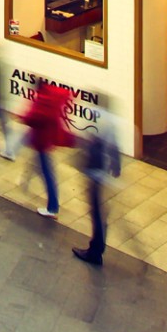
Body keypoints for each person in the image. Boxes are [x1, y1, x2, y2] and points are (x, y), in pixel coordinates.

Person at [20, 78, 75, 218]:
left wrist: (23, 117)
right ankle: (26, 178)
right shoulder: (51, 97)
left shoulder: (42, 102)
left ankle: (52, 208)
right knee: (42, 168)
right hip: (46, 139)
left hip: (42, 142)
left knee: (47, 173)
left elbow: (32, 117)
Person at [73, 111, 122, 265]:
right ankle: (96, 248)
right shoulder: (110, 123)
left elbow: (99, 149)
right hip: (101, 175)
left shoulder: (102, 124)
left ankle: (95, 251)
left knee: (97, 213)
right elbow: (114, 150)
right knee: (99, 213)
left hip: (97, 175)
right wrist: (116, 167)